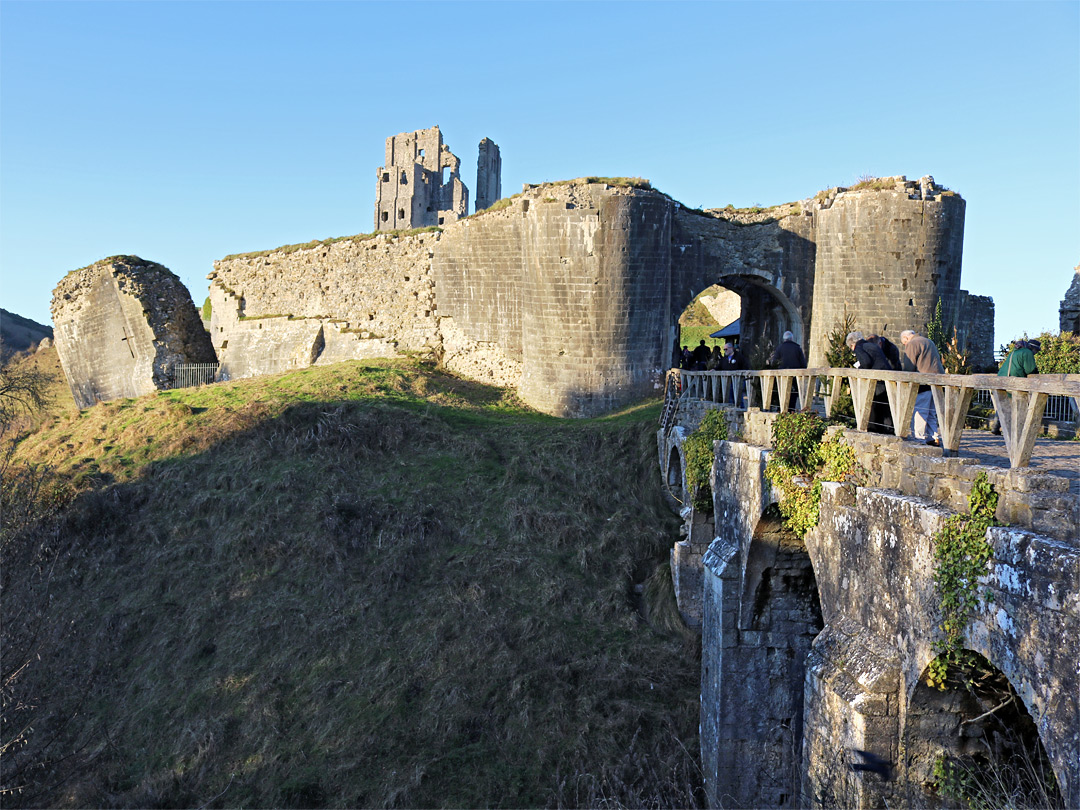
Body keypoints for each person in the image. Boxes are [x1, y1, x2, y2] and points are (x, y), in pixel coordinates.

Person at [900, 329, 944, 446]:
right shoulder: (928, 341)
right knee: (931, 413)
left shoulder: (912, 344)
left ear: (906, 338)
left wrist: (906, 381)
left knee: (920, 412)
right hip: (938, 381)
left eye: (904, 343)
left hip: (923, 383)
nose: (905, 345)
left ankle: (919, 439)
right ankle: (933, 437)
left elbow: (909, 366)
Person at [847, 331, 893, 434]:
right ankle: (889, 430)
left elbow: (866, 363)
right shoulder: (871, 345)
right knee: (885, 407)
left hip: (877, 381)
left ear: (852, 344)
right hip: (886, 378)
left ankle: (874, 430)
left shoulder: (859, 348)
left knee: (874, 405)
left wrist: (859, 369)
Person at [991, 339, 1040, 433]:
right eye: (1036, 351)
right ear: (1033, 348)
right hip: (1013, 381)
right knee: (1018, 404)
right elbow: (1030, 369)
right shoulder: (1027, 352)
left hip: (1001, 379)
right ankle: (1017, 431)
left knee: (1003, 404)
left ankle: (996, 426)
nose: (1035, 353)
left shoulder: (1015, 351)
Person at [769, 330, 807, 410]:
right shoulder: (797, 348)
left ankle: (781, 408)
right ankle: (791, 408)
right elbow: (803, 363)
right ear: (792, 338)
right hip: (795, 375)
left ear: (784, 339)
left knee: (782, 391)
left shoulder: (779, 348)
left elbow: (775, 361)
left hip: (782, 375)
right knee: (793, 393)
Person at [720, 342, 750, 407]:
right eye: (724, 349)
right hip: (728, 380)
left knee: (738, 393)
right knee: (730, 394)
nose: (725, 351)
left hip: (738, 379)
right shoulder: (724, 359)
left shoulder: (739, 357)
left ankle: (741, 407)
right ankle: (731, 408)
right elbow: (720, 366)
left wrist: (743, 374)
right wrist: (714, 369)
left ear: (731, 348)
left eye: (726, 349)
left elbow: (745, 366)